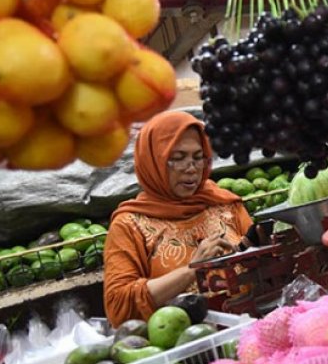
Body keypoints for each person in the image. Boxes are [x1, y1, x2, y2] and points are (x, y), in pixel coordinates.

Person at [103, 111, 252, 327]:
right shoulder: (128, 225)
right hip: (186, 346)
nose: (191, 168)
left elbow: (260, 255)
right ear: (153, 161)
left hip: (249, 330)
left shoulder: (223, 203)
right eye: (177, 158)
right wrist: (191, 270)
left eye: (198, 157)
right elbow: (119, 307)